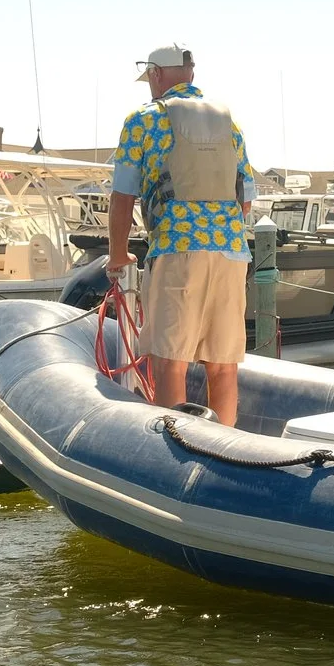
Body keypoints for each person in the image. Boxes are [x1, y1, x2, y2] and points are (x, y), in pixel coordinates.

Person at [106, 44, 257, 428]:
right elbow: (245, 198)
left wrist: (118, 254)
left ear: (156, 74)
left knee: (169, 361)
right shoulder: (228, 122)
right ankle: (224, 445)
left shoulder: (143, 120)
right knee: (222, 365)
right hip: (231, 252)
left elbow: (123, 196)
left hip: (177, 248)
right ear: (191, 74)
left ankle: (174, 446)